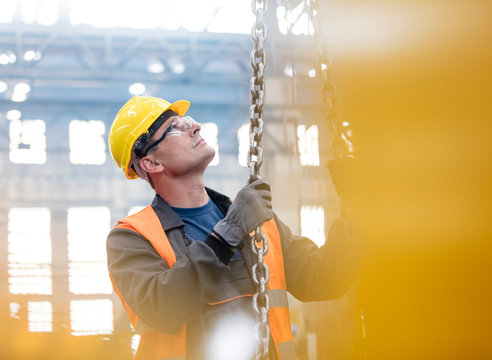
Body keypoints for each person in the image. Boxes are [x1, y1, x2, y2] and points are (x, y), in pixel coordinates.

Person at [107, 96, 359, 360]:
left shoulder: (256, 220)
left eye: (189, 121)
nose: (196, 127)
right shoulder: (131, 237)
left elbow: (323, 280)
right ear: (151, 163)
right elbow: (162, 306)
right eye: (176, 127)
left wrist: (358, 211)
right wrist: (229, 233)